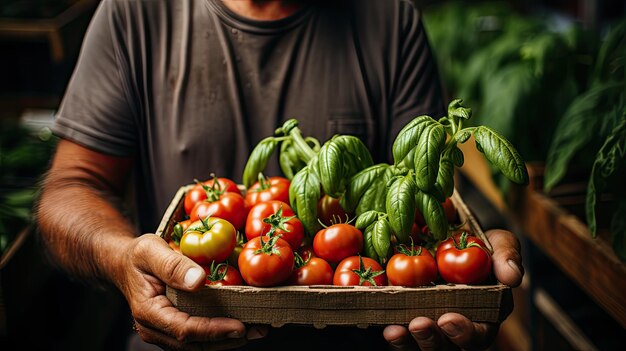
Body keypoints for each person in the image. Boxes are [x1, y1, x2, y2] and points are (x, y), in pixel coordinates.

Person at [35, 0, 524, 350]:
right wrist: (123, 259)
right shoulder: (133, 14)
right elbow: (70, 187)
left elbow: (420, 191)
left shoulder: (391, 19)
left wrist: (469, 257)